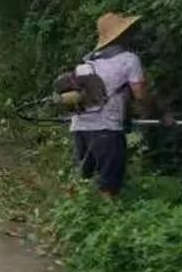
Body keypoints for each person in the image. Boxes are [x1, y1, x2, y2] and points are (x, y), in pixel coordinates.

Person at [70, 12, 168, 196]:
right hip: (108, 130)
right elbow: (141, 95)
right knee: (109, 188)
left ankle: (75, 217)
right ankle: (105, 219)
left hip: (79, 128)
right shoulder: (128, 59)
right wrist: (161, 115)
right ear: (121, 35)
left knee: (81, 182)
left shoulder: (85, 63)